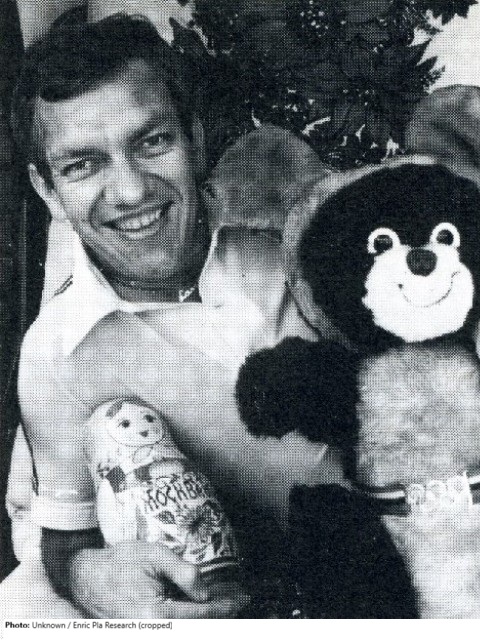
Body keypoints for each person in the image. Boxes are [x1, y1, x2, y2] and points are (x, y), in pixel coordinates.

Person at [2, 13, 344, 619]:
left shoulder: (304, 244)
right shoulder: (54, 354)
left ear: (196, 139)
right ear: (47, 190)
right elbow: (65, 532)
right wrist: (85, 574)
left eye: (153, 142)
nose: (131, 191)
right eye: (83, 165)